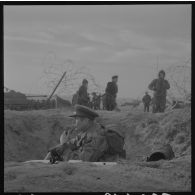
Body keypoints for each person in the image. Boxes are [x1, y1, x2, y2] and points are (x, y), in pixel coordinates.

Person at [44, 105, 126, 163]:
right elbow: (73, 143)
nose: (75, 122)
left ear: (86, 120)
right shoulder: (86, 132)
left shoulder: (97, 137)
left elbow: (81, 161)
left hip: (103, 173)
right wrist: (58, 149)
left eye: (77, 119)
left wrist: (63, 144)